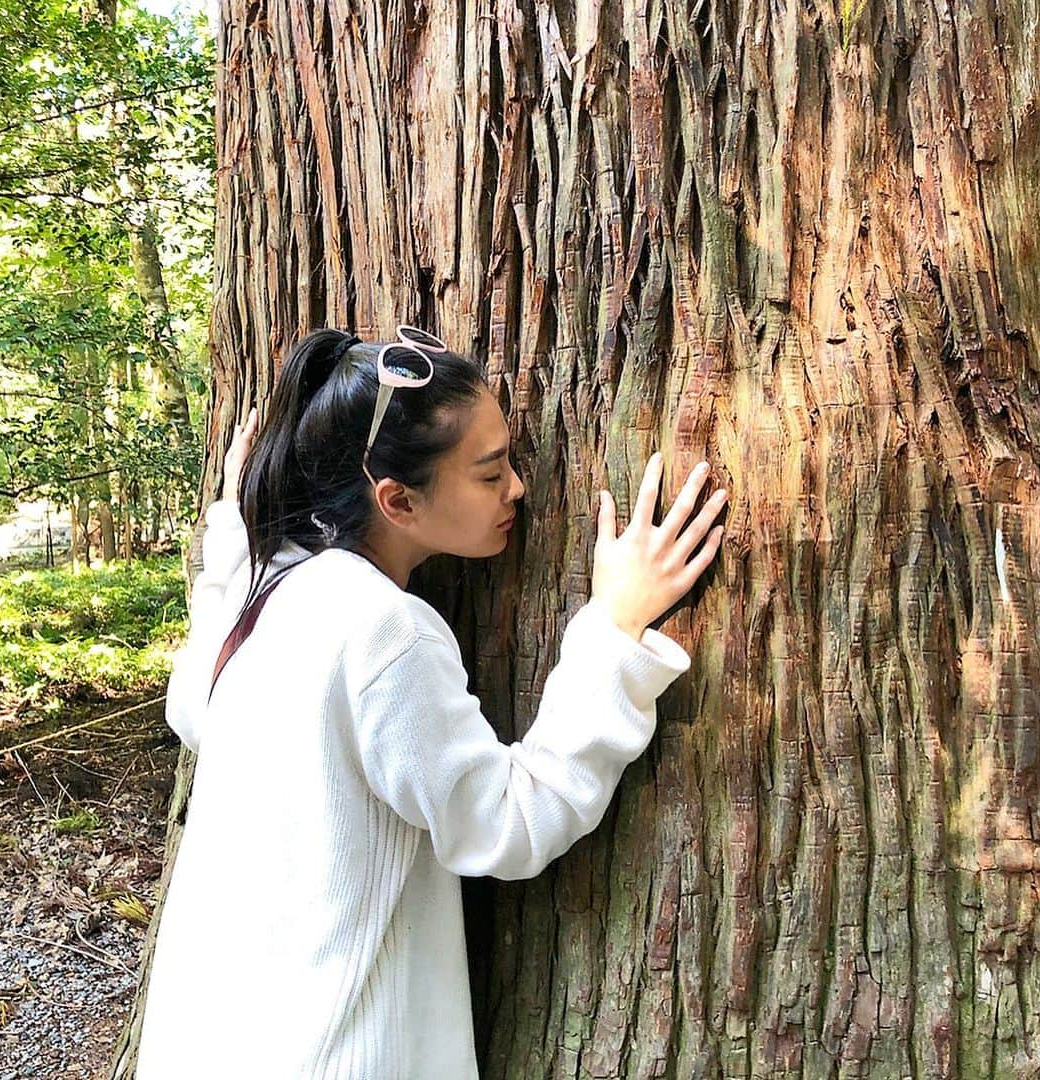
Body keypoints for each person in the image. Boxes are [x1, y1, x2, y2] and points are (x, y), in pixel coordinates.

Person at [135, 326, 728, 1079]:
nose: (517, 487)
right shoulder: (382, 629)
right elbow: (508, 824)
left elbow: (192, 705)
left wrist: (234, 529)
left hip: (214, 1045)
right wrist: (614, 631)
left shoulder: (274, 591)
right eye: (488, 474)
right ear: (397, 500)